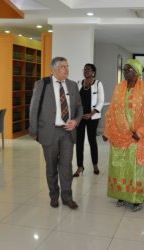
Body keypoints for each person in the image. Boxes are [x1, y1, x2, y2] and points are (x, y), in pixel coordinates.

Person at [28, 57, 83, 210]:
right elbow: (33, 108)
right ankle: (54, 196)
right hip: (49, 132)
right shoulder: (42, 84)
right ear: (53, 69)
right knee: (51, 166)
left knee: (66, 166)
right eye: (62, 67)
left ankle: (67, 197)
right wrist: (33, 131)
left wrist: (76, 121)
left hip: (67, 132)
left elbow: (79, 107)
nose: (66, 69)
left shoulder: (72, 85)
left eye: (67, 66)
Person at [103, 59, 144, 212]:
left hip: (135, 137)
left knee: (133, 168)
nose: (125, 72)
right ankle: (121, 195)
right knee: (119, 166)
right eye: (125, 69)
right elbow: (112, 110)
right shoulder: (119, 88)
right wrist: (108, 131)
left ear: (137, 72)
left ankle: (136, 199)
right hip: (119, 135)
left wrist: (140, 132)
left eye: (128, 70)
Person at [73, 63, 105, 177]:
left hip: (93, 117)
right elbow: (75, 100)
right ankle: (80, 167)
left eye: (88, 69)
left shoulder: (98, 84)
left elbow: (101, 101)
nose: (86, 71)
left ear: (93, 72)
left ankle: (95, 165)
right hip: (80, 117)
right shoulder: (78, 83)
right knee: (79, 142)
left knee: (92, 141)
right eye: (84, 69)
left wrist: (91, 114)